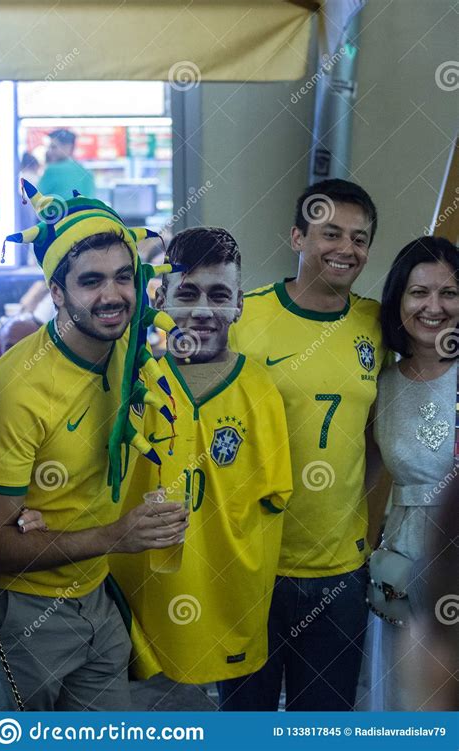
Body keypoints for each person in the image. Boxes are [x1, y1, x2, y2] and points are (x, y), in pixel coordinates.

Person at [0, 181, 188, 711]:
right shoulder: (17, 391)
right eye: (90, 281)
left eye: (124, 277)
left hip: (96, 602)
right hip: (21, 614)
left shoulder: (125, 343)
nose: (113, 295)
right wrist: (115, 535)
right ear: (56, 292)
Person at [222, 178, 391, 711]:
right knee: (244, 728)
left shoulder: (377, 324)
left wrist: (354, 518)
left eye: (359, 239)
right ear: (297, 237)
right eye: (331, 233)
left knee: (323, 728)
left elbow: (377, 435)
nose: (347, 249)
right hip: (253, 570)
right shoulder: (242, 319)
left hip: (341, 575)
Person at [110, 227, 293, 685]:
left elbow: (276, 495)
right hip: (139, 620)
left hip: (230, 614)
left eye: (219, 294)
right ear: (163, 298)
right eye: (187, 293)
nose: (203, 310)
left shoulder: (260, 391)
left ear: (240, 305)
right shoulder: (133, 385)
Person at [358, 236, 458, 711]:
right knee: (402, 703)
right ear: (399, 299)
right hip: (399, 564)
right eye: (419, 293)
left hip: (453, 560)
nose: (433, 306)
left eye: (449, 293)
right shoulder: (381, 383)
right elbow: (361, 475)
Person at [38, 129, 95, 199]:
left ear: (68, 147)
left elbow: (36, 199)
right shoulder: (87, 173)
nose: (49, 151)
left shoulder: (52, 170)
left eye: (53, 147)